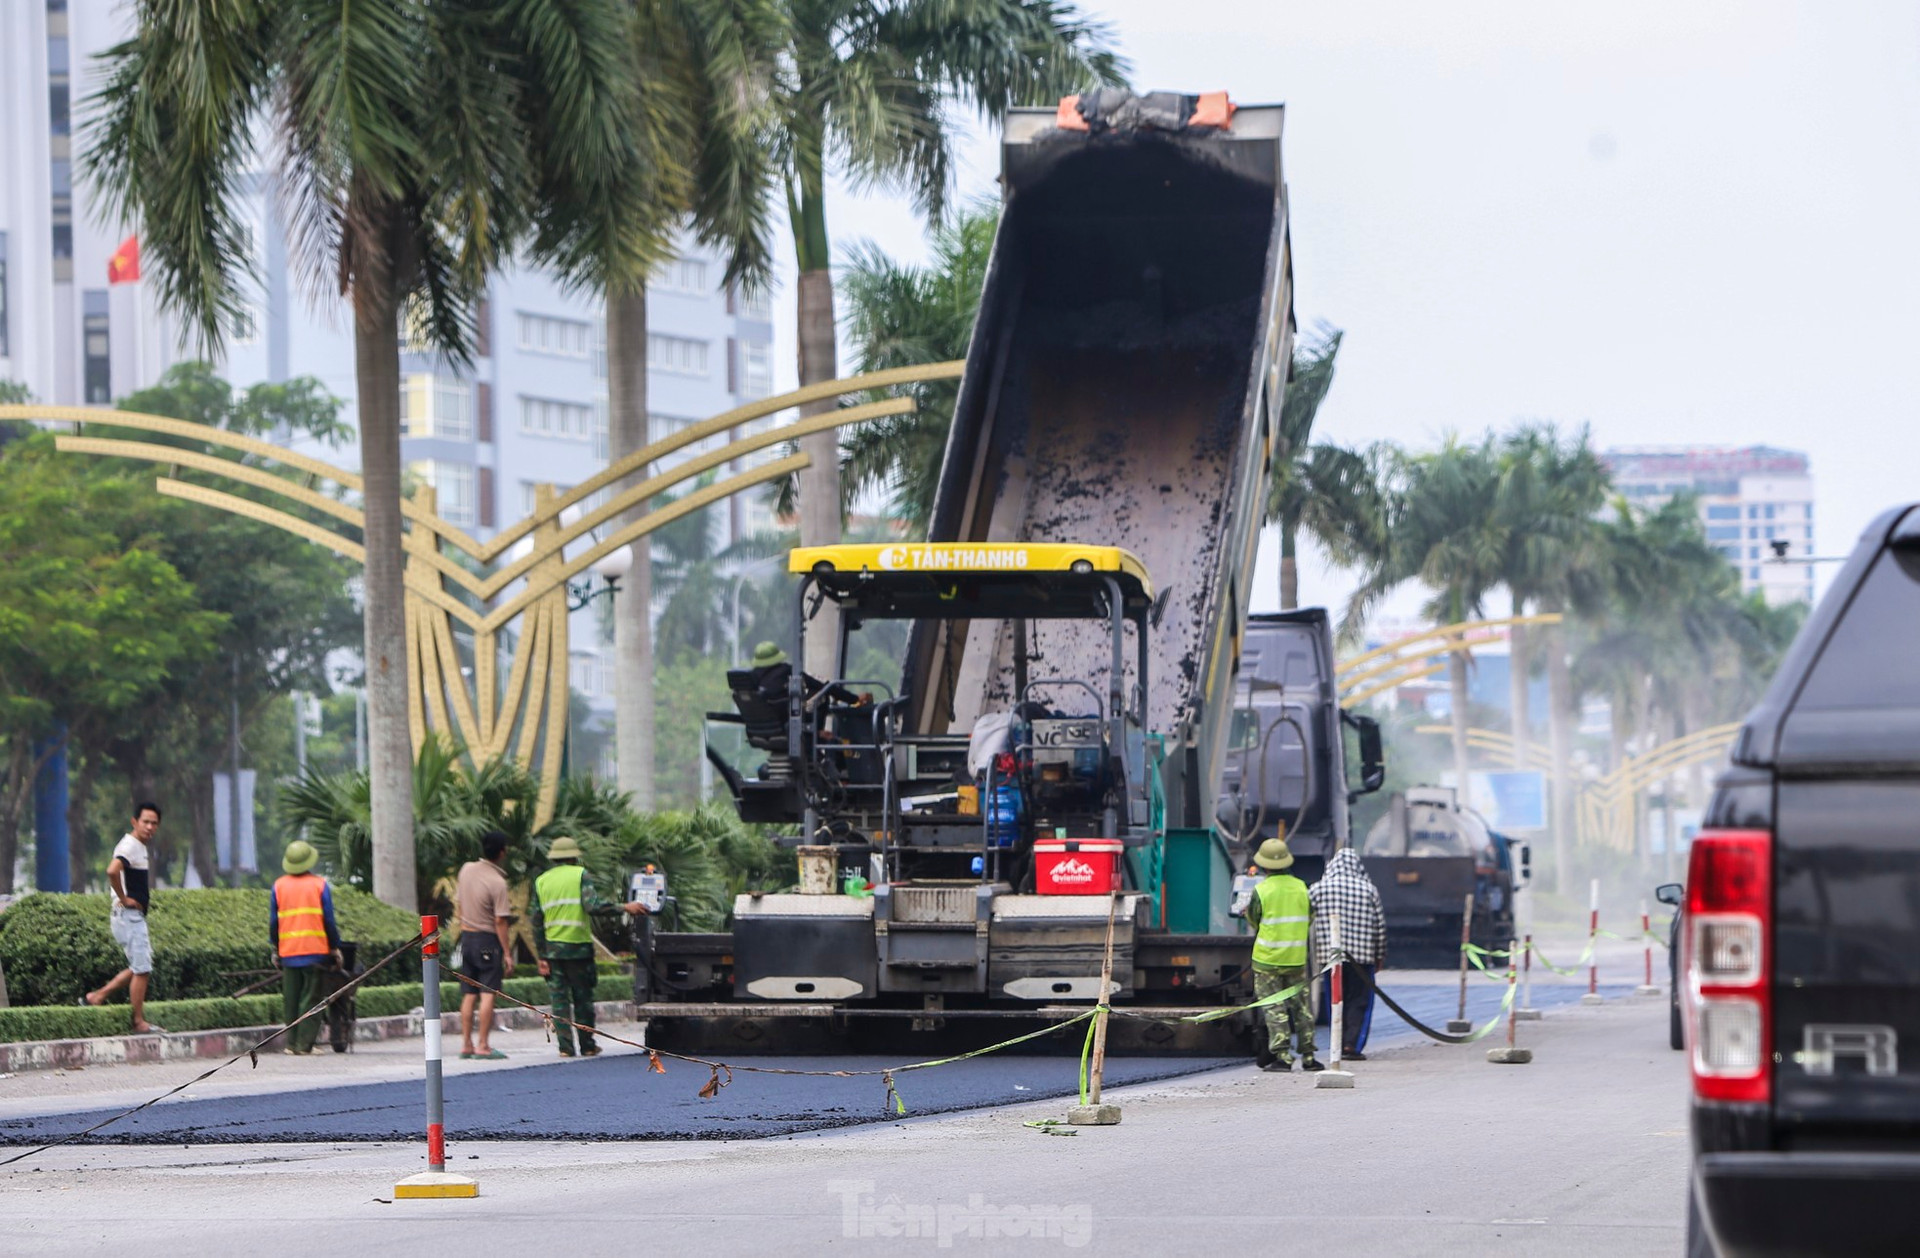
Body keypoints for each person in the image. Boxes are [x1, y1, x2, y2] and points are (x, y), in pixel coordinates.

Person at [531, 837, 650, 1058]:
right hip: (577, 947)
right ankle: (587, 1045)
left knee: (559, 1002)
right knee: (582, 998)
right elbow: (592, 906)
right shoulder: (580, 874)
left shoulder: (541, 880)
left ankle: (565, 1048)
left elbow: (536, 921)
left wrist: (541, 955)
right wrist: (625, 907)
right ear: (573, 856)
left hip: (552, 950)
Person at [82, 803, 165, 1033]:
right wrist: (124, 897)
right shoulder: (130, 845)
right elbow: (112, 870)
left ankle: (97, 996)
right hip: (128, 915)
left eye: (154, 823)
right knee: (142, 969)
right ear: (134, 822)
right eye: (145, 822)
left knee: (139, 965)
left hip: (131, 916)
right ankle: (138, 1022)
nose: (149, 827)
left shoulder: (138, 846)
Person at [1245, 835, 1319, 1073]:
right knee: (1302, 1008)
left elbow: (1254, 918)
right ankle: (1309, 1056)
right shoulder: (1302, 888)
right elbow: (1309, 917)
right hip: (1296, 959)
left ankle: (1283, 1056)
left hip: (1267, 960)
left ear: (1264, 865)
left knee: (1274, 1008)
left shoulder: (1261, 890)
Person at [1309, 846, 1387, 1060]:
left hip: (1331, 958)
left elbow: (1307, 922)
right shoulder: (1369, 890)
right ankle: (1351, 1045)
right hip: (1362, 959)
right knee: (1359, 1001)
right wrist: (1379, 956)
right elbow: (1379, 927)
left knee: (1336, 999)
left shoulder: (1317, 889)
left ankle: (1337, 1043)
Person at [269, 840, 344, 1055]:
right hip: (315, 952)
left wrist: (276, 948)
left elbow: (274, 922)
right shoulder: (319, 885)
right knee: (310, 998)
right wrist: (334, 947)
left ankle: (291, 1045)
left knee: (291, 999)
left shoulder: (279, 886)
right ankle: (305, 1045)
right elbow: (329, 920)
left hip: (289, 953)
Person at [456, 830, 516, 1060]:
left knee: (469, 993)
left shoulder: (466, 870)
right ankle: (483, 1045)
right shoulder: (497, 882)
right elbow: (500, 921)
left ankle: (466, 1045)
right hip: (487, 940)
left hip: (467, 938)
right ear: (503, 852)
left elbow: (459, 903)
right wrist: (507, 953)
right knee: (488, 992)